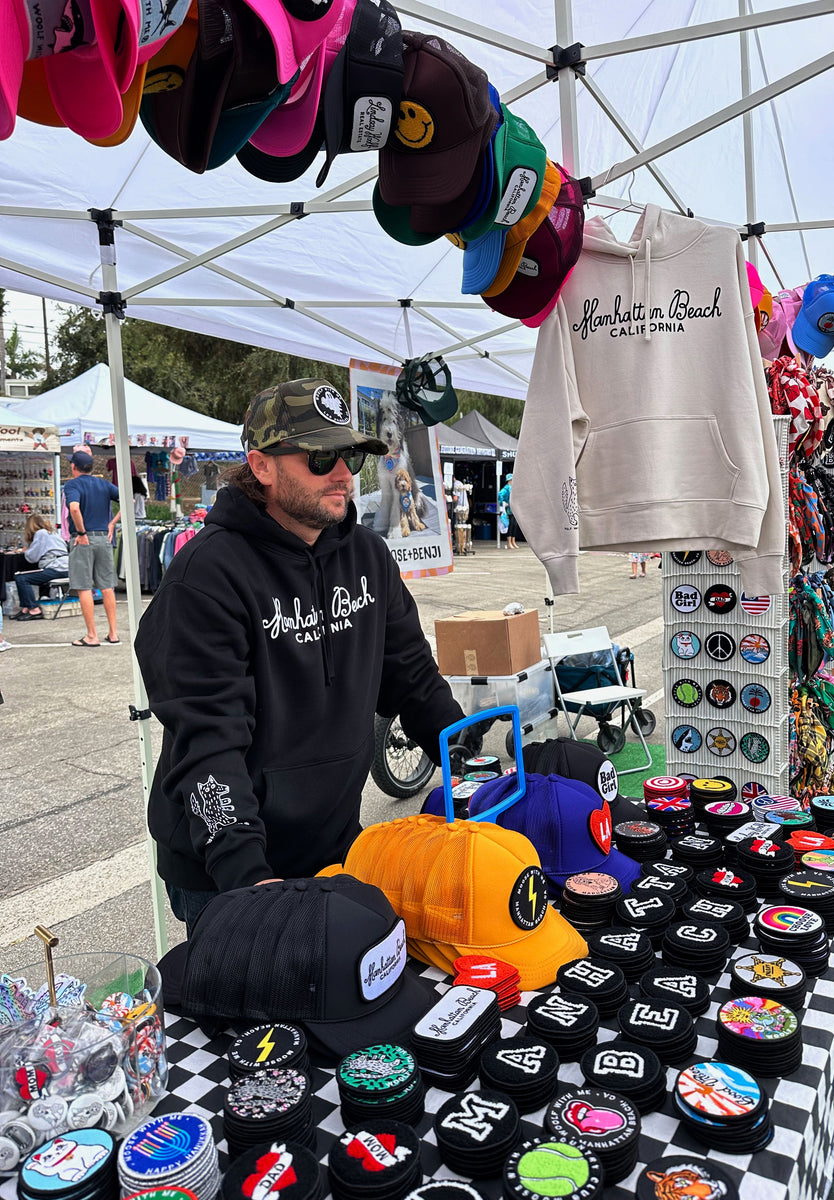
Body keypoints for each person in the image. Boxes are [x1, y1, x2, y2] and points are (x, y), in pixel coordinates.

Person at [134, 378, 465, 932]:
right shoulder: (205, 578)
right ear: (261, 466)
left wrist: (467, 758)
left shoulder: (368, 555)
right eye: (320, 458)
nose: (343, 475)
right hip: (226, 872)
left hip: (335, 845)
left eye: (351, 459)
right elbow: (207, 744)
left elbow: (412, 675)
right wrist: (246, 876)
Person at [62, 450, 121, 647]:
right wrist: (112, 523)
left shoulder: (72, 485)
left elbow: (74, 508)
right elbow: (129, 501)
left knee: (84, 586)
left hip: (83, 540)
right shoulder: (103, 484)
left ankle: (91, 635)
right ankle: (113, 632)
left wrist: (81, 532)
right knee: (106, 586)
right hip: (104, 537)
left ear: (73, 467)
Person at [13, 514, 69, 619]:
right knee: (32, 575)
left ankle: (34, 609)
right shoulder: (53, 533)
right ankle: (26, 608)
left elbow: (32, 557)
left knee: (21, 578)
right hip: (66, 567)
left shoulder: (40, 534)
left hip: (56, 567)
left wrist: (26, 551)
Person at [498, 473, 519, 549]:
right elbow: (500, 495)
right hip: (509, 509)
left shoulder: (514, 487)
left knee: (515, 525)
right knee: (510, 525)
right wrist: (503, 503)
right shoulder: (507, 488)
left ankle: (513, 541)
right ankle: (509, 542)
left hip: (515, 508)